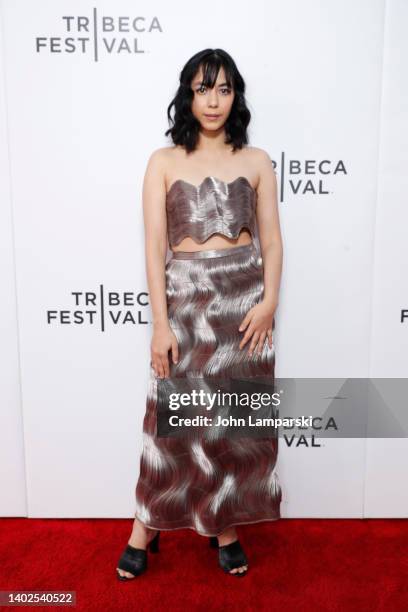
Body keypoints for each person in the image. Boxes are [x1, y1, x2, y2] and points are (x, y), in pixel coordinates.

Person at [116, 48, 283, 580]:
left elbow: (273, 243)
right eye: (202, 88)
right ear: (188, 95)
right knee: (171, 421)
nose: (213, 100)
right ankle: (146, 527)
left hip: (243, 306)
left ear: (236, 96)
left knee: (230, 423)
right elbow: (154, 250)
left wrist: (268, 302)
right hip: (186, 305)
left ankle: (224, 525)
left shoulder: (255, 160)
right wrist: (160, 324)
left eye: (224, 89)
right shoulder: (162, 162)